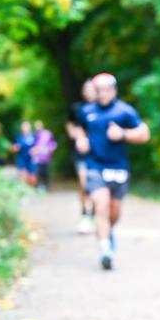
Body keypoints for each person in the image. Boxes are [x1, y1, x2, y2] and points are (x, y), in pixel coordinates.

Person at [74, 73, 151, 270]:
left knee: (114, 213)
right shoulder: (86, 111)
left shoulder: (125, 112)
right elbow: (80, 130)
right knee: (101, 205)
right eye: (99, 90)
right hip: (95, 166)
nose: (103, 94)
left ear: (114, 90)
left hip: (118, 168)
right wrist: (81, 140)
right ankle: (105, 250)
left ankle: (109, 231)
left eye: (107, 89)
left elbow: (144, 134)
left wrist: (123, 134)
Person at [66, 79, 97, 233]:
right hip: (82, 153)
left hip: (99, 154)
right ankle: (85, 215)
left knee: (98, 188)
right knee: (85, 185)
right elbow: (70, 124)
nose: (89, 91)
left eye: (92, 89)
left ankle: (96, 215)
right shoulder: (77, 108)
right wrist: (77, 136)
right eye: (86, 89)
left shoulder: (103, 109)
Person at [30, 120, 57, 192]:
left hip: (46, 158)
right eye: (36, 126)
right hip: (37, 158)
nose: (37, 127)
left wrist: (50, 149)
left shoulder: (47, 133)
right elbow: (32, 146)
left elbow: (53, 143)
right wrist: (33, 150)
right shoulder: (34, 135)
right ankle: (39, 186)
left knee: (46, 172)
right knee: (38, 172)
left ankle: (46, 186)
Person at [11, 120, 36, 186]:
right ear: (21, 128)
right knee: (23, 175)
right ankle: (24, 191)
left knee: (32, 178)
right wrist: (16, 148)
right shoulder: (18, 137)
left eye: (27, 126)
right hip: (21, 158)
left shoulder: (33, 136)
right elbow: (13, 148)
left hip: (31, 159)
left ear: (29, 127)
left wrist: (34, 150)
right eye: (24, 126)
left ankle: (31, 190)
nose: (25, 128)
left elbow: (37, 146)